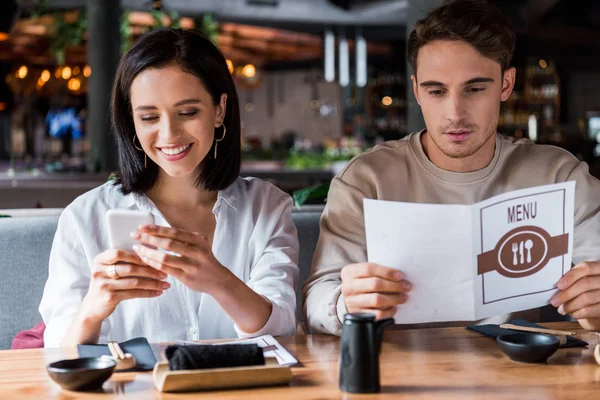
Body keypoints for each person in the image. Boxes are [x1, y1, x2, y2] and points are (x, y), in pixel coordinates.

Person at [303, 0, 600, 335]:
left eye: (474, 89)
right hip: (396, 374)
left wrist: (593, 307)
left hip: (519, 373)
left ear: (505, 84)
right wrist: (345, 304)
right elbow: (315, 301)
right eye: (436, 91)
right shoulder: (366, 179)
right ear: (416, 90)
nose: (455, 113)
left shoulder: (559, 175)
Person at [39, 28, 299, 347]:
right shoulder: (84, 217)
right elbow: (57, 352)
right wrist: (92, 312)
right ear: (131, 120)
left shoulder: (265, 206)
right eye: (149, 117)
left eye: (187, 112)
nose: (169, 134)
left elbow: (283, 326)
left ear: (219, 110)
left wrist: (219, 281)